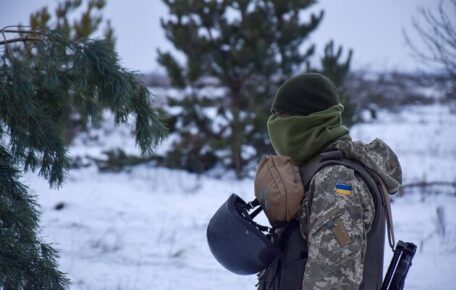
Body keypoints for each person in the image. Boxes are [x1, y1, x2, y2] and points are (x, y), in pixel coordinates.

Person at [258, 73, 402, 290]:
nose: (274, 125)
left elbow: (333, 281)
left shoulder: (335, 181)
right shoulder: (316, 168)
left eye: (281, 116)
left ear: (306, 121)